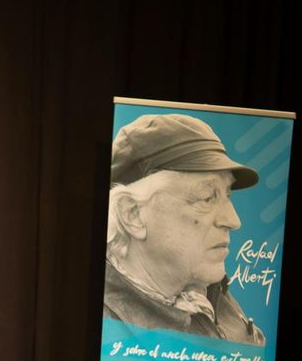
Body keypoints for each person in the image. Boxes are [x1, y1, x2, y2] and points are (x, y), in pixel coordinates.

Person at [104, 113, 266, 345]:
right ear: (133, 215)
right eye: (207, 197)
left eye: (227, 195)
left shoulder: (209, 295)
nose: (233, 220)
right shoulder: (103, 331)